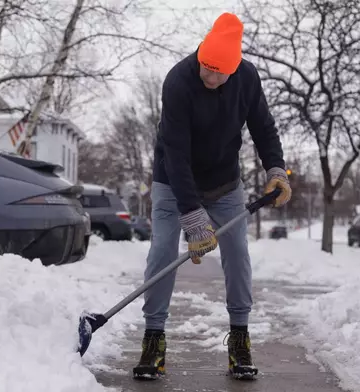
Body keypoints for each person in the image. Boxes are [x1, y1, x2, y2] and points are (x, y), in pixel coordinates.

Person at [132, 12, 292, 381]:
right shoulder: (178, 81)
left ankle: (239, 337)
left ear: (234, 69)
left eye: (219, 71)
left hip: (224, 184)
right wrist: (192, 216)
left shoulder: (248, 78)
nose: (210, 76)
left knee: (237, 254)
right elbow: (175, 151)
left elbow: (263, 128)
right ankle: (153, 338)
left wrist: (276, 170)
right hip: (173, 182)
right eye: (206, 66)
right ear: (200, 54)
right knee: (161, 253)